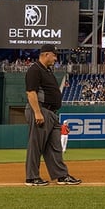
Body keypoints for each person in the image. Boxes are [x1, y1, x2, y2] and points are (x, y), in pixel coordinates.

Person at [24, 44, 81, 186]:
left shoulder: (47, 70)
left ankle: (61, 175)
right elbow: (31, 93)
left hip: (51, 113)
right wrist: (37, 112)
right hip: (40, 111)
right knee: (35, 145)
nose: (55, 58)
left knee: (55, 146)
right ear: (45, 54)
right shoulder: (34, 70)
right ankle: (31, 178)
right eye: (54, 55)